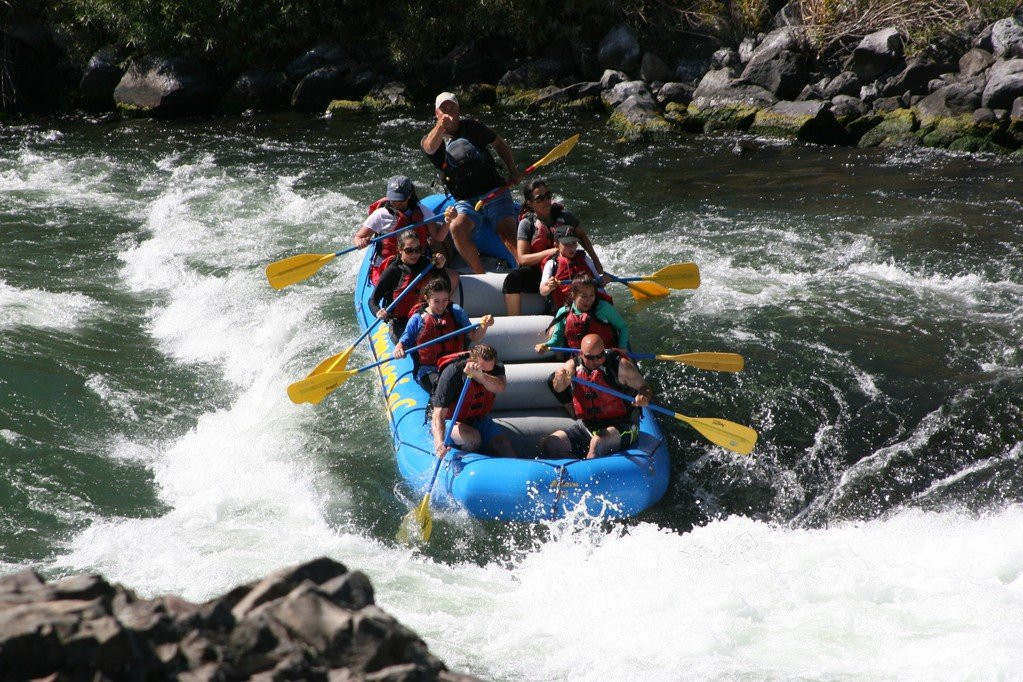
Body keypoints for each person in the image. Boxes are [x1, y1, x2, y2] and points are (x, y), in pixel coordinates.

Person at [421, 91, 521, 274]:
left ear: (459, 111)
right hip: (465, 199)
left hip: (494, 191)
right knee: (457, 227)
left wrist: (512, 170)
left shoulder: (473, 128)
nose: (448, 111)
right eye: (443, 108)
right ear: (436, 113)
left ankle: (524, 269)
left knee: (506, 232)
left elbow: (499, 143)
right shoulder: (432, 139)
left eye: (452, 107)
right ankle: (480, 274)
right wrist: (440, 126)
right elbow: (429, 148)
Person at [503, 180, 606, 316]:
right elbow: (522, 259)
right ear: (530, 203)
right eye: (540, 198)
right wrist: (551, 252)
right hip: (540, 273)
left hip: (566, 269)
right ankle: (514, 321)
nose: (546, 201)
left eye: (548, 196)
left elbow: (583, 237)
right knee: (512, 280)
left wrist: (597, 262)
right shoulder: (527, 224)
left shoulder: (566, 217)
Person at [542, 333, 652, 459]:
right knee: (550, 444)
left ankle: (586, 474)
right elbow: (558, 388)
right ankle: (575, 470)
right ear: (581, 354)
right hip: (588, 426)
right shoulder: (572, 366)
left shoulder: (621, 366)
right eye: (590, 357)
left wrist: (644, 397)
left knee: (597, 442)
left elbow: (645, 387)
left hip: (623, 425)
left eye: (600, 356)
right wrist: (560, 380)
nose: (596, 361)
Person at [394, 277, 493, 391]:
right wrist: (399, 349)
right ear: (427, 299)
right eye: (436, 301)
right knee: (443, 389)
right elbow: (402, 343)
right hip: (429, 369)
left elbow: (475, 337)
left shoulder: (455, 311)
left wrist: (484, 325)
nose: (441, 305)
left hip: (456, 365)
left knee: (472, 387)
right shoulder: (417, 319)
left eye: (445, 300)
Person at [353, 175, 453, 284]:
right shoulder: (380, 215)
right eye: (393, 199)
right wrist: (360, 242)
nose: (396, 203)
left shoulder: (422, 211)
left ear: (410, 195)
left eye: (401, 200)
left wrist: (449, 220)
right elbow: (359, 237)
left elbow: (438, 236)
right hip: (389, 266)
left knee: (454, 277)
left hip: (416, 261)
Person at [431, 343, 516, 458]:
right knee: (473, 438)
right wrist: (439, 443)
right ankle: (465, 462)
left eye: (488, 371)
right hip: (451, 421)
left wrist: (481, 375)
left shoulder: (496, 367)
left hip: (478, 419)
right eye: (481, 369)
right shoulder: (453, 373)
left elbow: (500, 387)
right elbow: (438, 416)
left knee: (503, 445)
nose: (486, 372)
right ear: (471, 362)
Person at [370, 230, 460, 338]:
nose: (414, 254)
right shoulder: (393, 271)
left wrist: (440, 269)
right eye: (409, 250)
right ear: (400, 250)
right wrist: (378, 312)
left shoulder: (427, 264)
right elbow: (373, 300)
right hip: (402, 322)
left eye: (418, 249)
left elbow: (446, 288)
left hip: (427, 315)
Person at [536, 274, 628, 353]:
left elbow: (623, 327)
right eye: (584, 296)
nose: (589, 300)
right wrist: (544, 346)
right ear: (574, 295)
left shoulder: (603, 307)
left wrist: (622, 348)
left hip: (606, 355)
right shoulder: (564, 312)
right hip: (581, 360)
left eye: (592, 295)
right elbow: (556, 340)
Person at [538, 226, 610, 312]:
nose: (572, 247)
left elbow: (598, 282)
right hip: (567, 309)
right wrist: (549, 287)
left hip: (590, 305)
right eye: (567, 244)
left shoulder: (585, 259)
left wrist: (603, 280)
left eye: (574, 243)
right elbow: (542, 291)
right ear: (556, 245)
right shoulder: (552, 264)